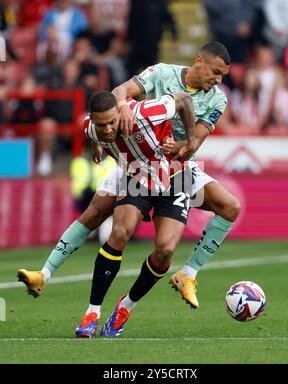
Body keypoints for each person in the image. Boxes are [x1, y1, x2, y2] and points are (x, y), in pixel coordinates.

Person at [17, 41, 240, 313]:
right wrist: (121, 105)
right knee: (96, 214)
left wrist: (184, 146)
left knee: (224, 210)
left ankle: (188, 274)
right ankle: (46, 275)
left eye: (222, 76)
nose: (217, 80)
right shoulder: (161, 73)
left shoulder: (218, 98)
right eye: (215, 72)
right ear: (199, 61)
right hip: (136, 160)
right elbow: (115, 96)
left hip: (178, 169)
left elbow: (193, 145)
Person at [19, 90, 196, 337]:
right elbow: (94, 132)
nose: (109, 129)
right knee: (119, 232)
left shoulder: (144, 114)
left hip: (175, 175)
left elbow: (184, 100)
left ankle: (126, 306)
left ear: (119, 112)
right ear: (93, 120)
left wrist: (190, 142)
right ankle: (92, 312)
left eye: (113, 122)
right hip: (136, 176)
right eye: (102, 125)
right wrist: (97, 147)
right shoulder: (90, 127)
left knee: (165, 250)